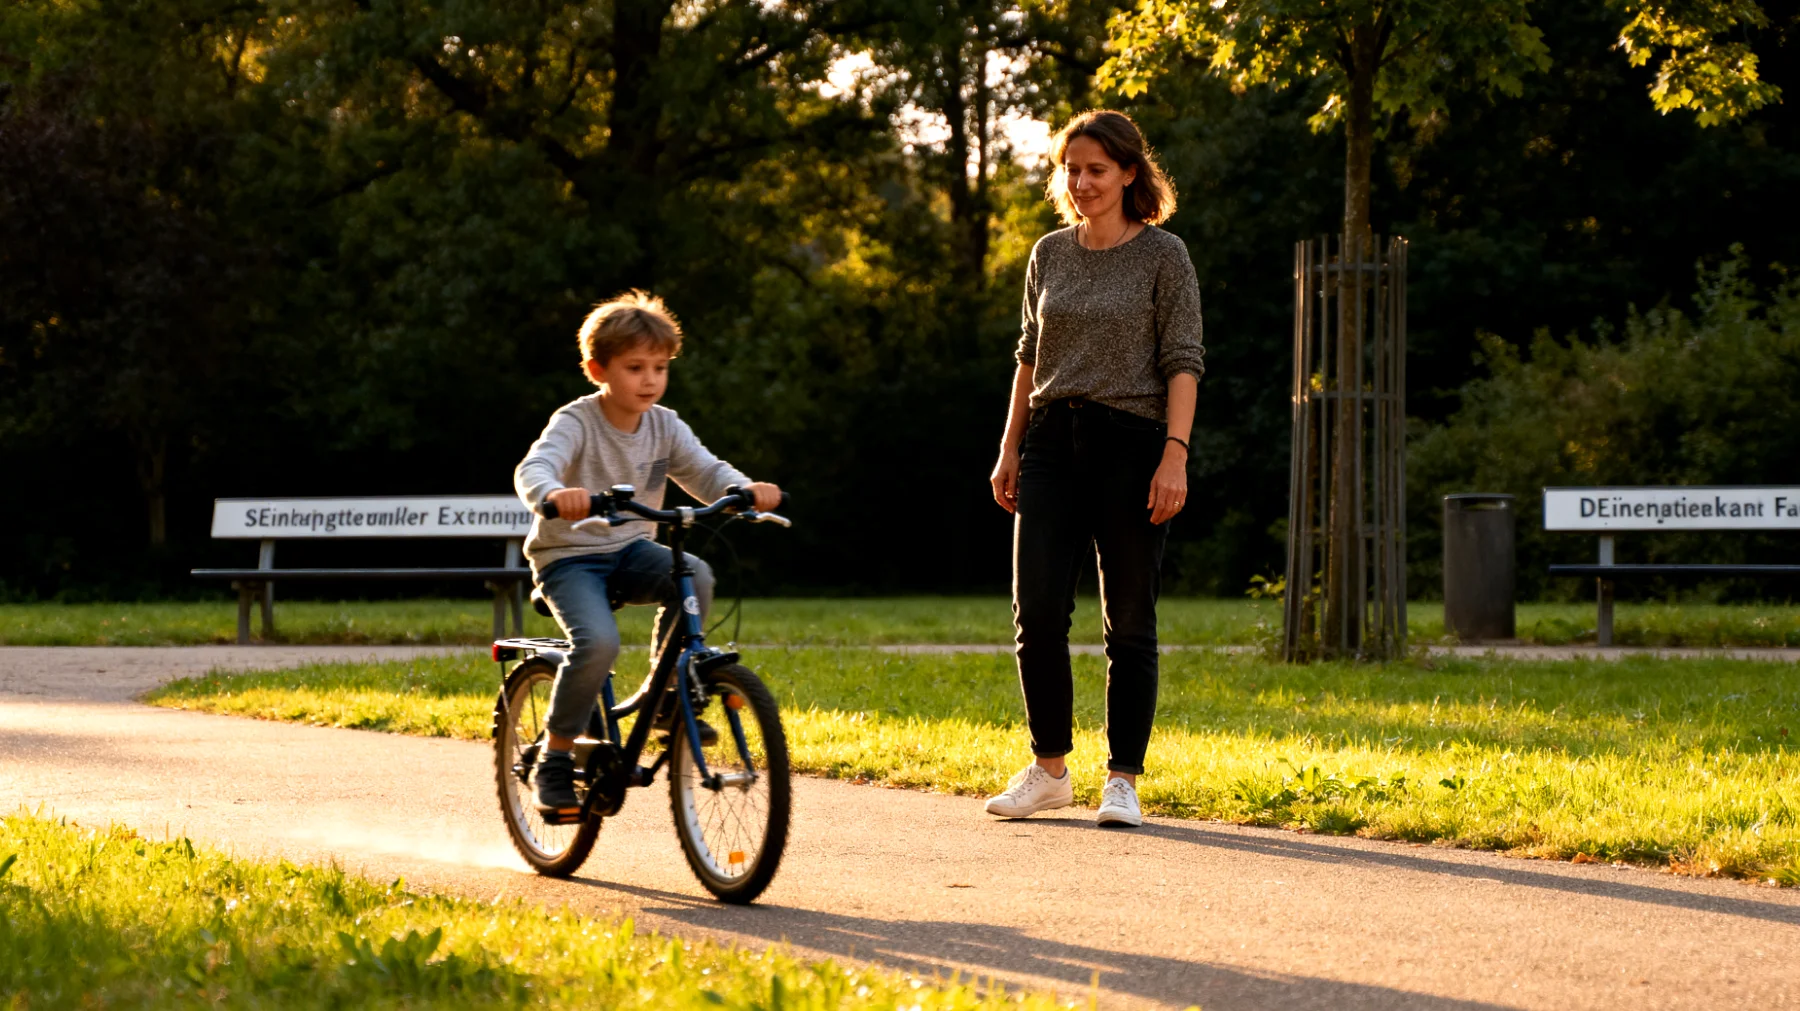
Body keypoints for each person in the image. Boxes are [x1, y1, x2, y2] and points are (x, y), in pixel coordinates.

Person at [983, 110, 1205, 828]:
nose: (1081, 183)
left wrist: (1175, 453)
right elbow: (1027, 357)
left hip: (1134, 444)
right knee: (1037, 610)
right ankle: (1050, 769)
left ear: (1130, 173)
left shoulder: (1164, 255)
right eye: (1071, 170)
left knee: (1130, 618)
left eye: (1096, 170)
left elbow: (1183, 362)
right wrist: (1009, 446)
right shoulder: (1048, 253)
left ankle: (1123, 780)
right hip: (1051, 440)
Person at [514, 290, 782, 819]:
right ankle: (556, 756)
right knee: (598, 644)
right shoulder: (577, 421)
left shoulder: (664, 423)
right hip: (569, 557)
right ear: (598, 369)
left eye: (660, 367)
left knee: (696, 575)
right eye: (635, 367)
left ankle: (665, 702)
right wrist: (553, 495)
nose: (650, 380)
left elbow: (704, 471)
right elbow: (535, 466)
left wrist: (744, 489)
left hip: (632, 549)